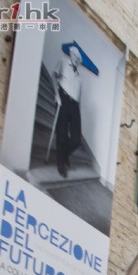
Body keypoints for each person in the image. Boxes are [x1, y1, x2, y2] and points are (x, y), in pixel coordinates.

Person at [54, 44, 82, 177]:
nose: (77, 60)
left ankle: (64, 153)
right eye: (75, 56)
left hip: (75, 105)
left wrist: (78, 110)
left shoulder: (79, 77)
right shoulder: (63, 62)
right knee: (62, 132)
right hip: (63, 99)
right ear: (71, 54)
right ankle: (60, 164)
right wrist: (56, 94)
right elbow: (55, 78)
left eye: (79, 59)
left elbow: (79, 96)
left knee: (77, 139)